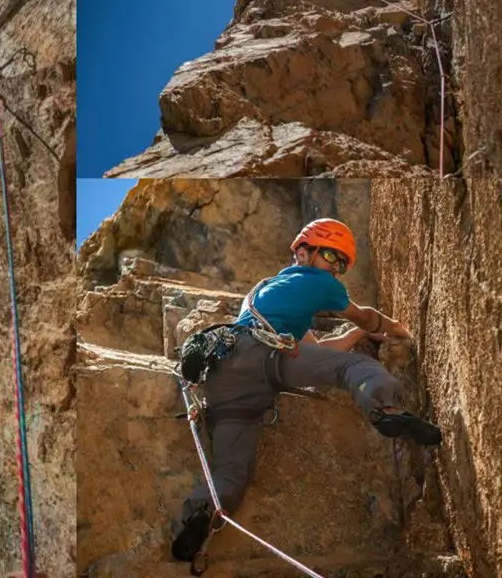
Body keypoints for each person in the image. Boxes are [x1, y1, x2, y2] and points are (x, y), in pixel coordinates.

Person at [171, 218, 443, 563]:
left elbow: (319, 350)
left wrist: (355, 336)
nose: (335, 268)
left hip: (226, 378)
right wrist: (402, 332)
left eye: (341, 264)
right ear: (303, 251)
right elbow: (367, 316)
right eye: (331, 255)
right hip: (262, 359)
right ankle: (386, 409)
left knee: (232, 473)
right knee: (356, 368)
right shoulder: (316, 282)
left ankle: (198, 521)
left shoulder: (266, 291)